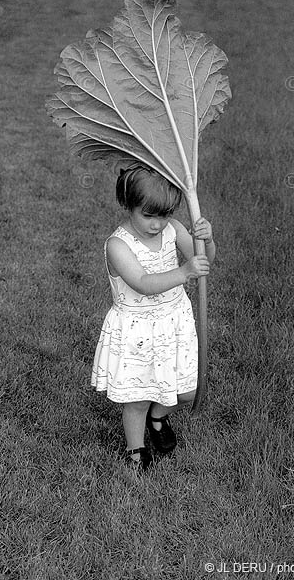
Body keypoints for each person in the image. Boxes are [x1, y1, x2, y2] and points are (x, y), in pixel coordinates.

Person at [91, 165, 216, 470]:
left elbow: (204, 261)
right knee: (138, 397)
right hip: (138, 331)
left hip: (174, 323)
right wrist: (183, 272)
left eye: (163, 215)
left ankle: (158, 416)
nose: (157, 224)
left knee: (186, 390)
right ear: (127, 204)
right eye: (148, 215)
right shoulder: (117, 246)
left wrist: (207, 240)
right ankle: (137, 450)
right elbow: (143, 284)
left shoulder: (173, 228)